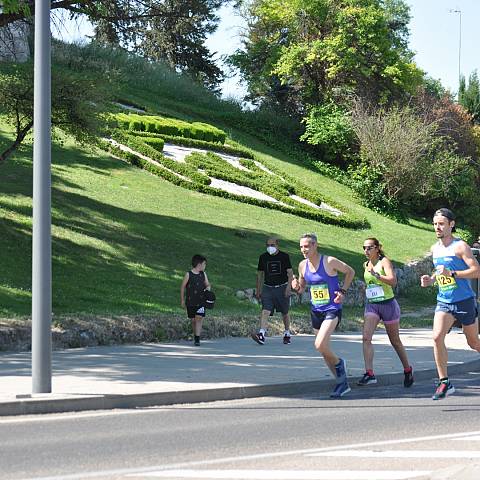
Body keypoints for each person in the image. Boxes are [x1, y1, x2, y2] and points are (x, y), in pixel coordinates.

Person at [420, 208, 480, 400]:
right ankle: (444, 382)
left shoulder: (460, 246)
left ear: (451, 225)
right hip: (444, 301)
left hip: (464, 301)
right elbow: (440, 273)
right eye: (435, 224)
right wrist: (431, 280)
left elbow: (476, 271)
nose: (437, 227)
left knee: (473, 342)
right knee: (437, 337)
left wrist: (453, 274)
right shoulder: (435, 248)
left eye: (441, 224)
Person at [291, 233, 355, 398]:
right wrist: (295, 286)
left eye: (306, 246)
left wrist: (343, 291)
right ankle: (342, 384)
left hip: (332, 309)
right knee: (324, 351)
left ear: (315, 245)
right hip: (316, 311)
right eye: (301, 247)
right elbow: (301, 289)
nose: (303, 250)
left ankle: (340, 364)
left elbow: (350, 272)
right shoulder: (302, 266)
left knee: (320, 344)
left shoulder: (329, 261)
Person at [357, 237, 414, 388]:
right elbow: (371, 283)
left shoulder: (384, 262)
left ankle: (408, 369)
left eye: (369, 247)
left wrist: (376, 275)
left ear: (377, 248)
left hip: (388, 305)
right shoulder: (366, 264)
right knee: (366, 338)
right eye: (364, 248)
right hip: (373, 305)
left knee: (395, 341)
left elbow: (393, 281)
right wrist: (367, 288)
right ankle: (369, 373)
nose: (366, 251)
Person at [251, 237, 293, 345]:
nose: (270, 247)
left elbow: (290, 273)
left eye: (272, 245)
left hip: (282, 287)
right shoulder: (263, 257)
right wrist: (258, 290)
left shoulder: (284, 257)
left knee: (285, 312)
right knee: (265, 310)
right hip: (268, 288)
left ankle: (287, 333)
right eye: (268, 245)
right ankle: (261, 334)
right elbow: (260, 275)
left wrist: (289, 287)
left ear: (277, 245)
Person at [180, 254, 211, 346]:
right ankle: (196, 336)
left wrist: (208, 289)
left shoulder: (203, 274)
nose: (205, 266)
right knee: (193, 320)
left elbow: (208, 285)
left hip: (201, 301)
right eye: (204, 264)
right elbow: (182, 287)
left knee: (199, 318)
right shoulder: (188, 274)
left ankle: (197, 339)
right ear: (199, 264)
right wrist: (182, 300)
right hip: (191, 301)